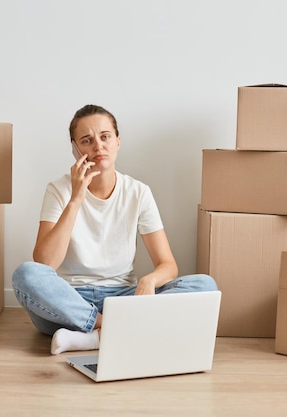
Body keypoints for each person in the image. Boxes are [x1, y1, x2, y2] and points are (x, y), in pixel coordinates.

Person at [12, 104, 218, 355]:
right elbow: (45, 263)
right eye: (87, 140)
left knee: (205, 285)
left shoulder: (138, 192)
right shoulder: (59, 190)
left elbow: (168, 265)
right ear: (75, 150)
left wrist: (149, 280)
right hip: (68, 303)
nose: (98, 146)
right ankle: (112, 327)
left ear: (118, 141)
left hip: (122, 297)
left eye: (105, 136)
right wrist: (76, 199)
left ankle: (91, 338)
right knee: (25, 275)